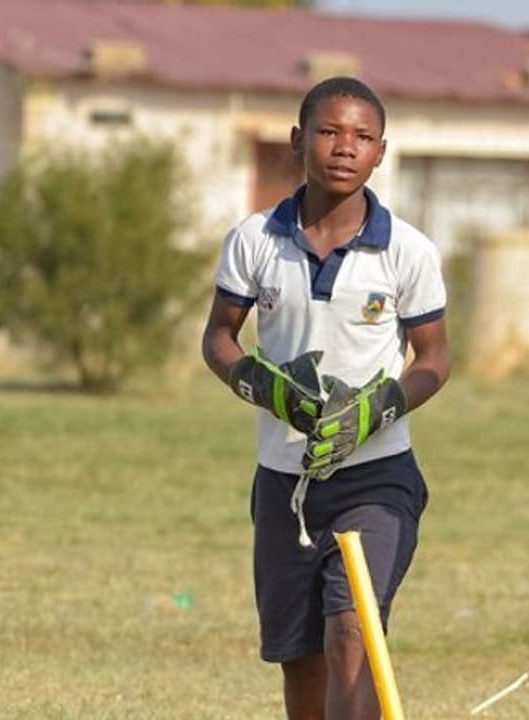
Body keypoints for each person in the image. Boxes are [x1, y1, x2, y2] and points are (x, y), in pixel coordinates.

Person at [201, 76, 450, 720]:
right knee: (300, 654)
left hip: (376, 478)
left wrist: (375, 409)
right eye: (330, 132)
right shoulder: (254, 239)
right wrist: (261, 385)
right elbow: (219, 339)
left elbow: (435, 361)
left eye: (362, 137)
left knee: (351, 632)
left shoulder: (408, 251)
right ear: (297, 141)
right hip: (283, 480)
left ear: (381, 152)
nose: (345, 147)